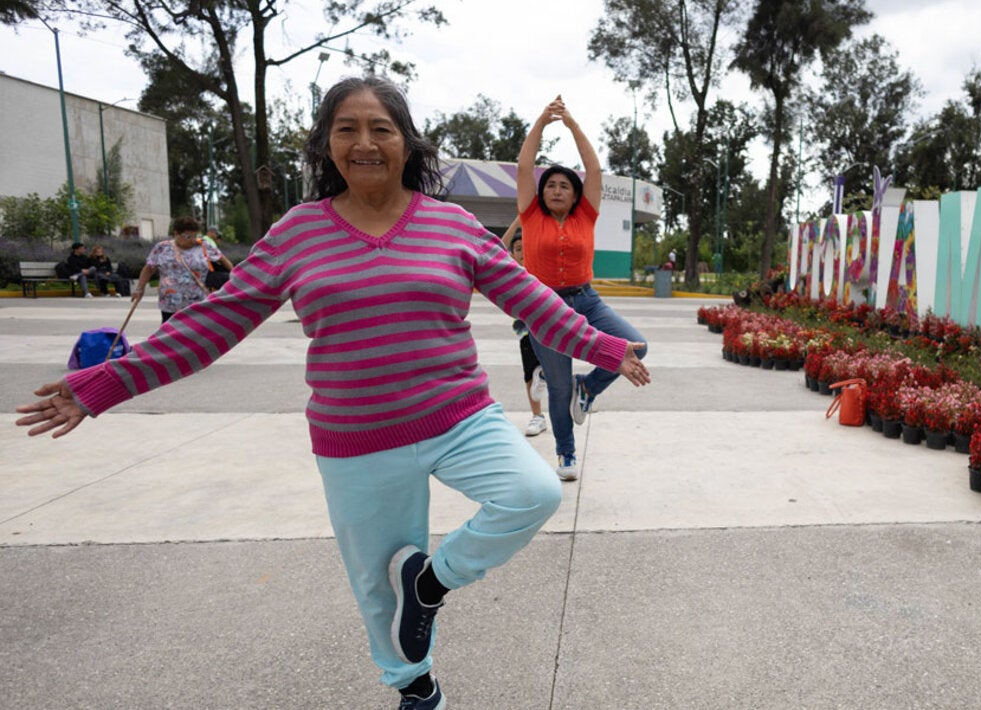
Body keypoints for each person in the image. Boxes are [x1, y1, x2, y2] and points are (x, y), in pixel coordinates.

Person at [15, 75, 649, 710]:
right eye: (347, 129)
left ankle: (431, 583)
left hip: (461, 418)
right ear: (325, 146)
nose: (365, 143)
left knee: (531, 493)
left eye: (382, 128)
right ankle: (416, 686)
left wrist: (607, 349)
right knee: (376, 586)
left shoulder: (451, 225)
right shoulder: (299, 232)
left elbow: (534, 300)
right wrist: (102, 385)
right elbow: (215, 321)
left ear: (407, 143)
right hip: (356, 437)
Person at [517, 96, 649, 481]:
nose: (557, 190)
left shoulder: (586, 216)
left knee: (637, 344)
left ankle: (587, 389)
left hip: (586, 299)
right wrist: (542, 120)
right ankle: (566, 454)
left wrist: (572, 124)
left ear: (576, 195)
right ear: (542, 193)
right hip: (544, 307)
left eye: (564, 186)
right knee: (558, 387)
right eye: (551, 185)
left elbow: (593, 168)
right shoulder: (530, 214)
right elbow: (526, 167)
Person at [132, 216, 234, 323]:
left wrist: (236, 278)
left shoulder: (204, 245)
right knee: (170, 335)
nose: (192, 240)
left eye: (195, 235)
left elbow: (223, 260)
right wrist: (140, 288)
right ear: (176, 234)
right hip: (170, 303)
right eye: (188, 236)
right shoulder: (162, 248)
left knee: (197, 335)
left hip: (198, 302)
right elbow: (149, 268)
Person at [503, 217, 549, 439]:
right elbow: (498, 248)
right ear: (513, 254)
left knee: (551, 368)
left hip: (550, 325)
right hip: (526, 328)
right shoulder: (511, 270)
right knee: (530, 373)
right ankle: (538, 416)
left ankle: (547, 377)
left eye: (526, 248)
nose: (523, 253)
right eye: (518, 249)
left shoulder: (541, 267)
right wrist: (517, 222)